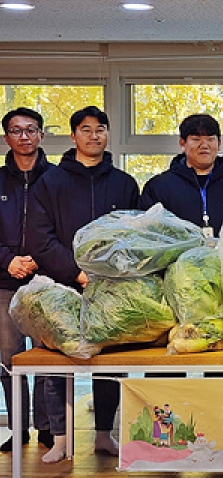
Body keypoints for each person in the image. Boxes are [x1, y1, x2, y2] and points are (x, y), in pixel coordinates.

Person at [27, 106, 139, 463]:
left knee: (110, 364)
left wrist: (111, 271)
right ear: (74, 135)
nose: (94, 135)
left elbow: (135, 235)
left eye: (100, 129)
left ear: (108, 134)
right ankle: (61, 440)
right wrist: (76, 273)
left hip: (113, 289)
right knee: (57, 365)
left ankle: (104, 434)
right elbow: (40, 238)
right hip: (62, 287)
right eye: (86, 129)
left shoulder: (124, 183)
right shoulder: (50, 182)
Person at [0, 108, 54, 452]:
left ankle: (49, 427)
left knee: (48, 355)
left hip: (48, 282)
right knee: (10, 358)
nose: (24, 136)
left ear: (41, 135)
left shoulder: (57, 179)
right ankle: (18, 428)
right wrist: (8, 261)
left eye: (31, 129)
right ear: (7, 137)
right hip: (5, 281)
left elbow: (65, 228)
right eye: (16, 130)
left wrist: (38, 258)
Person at [138, 114, 223, 238]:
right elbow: (146, 236)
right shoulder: (159, 186)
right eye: (196, 139)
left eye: (210, 139)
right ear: (182, 143)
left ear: (219, 143)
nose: (204, 145)